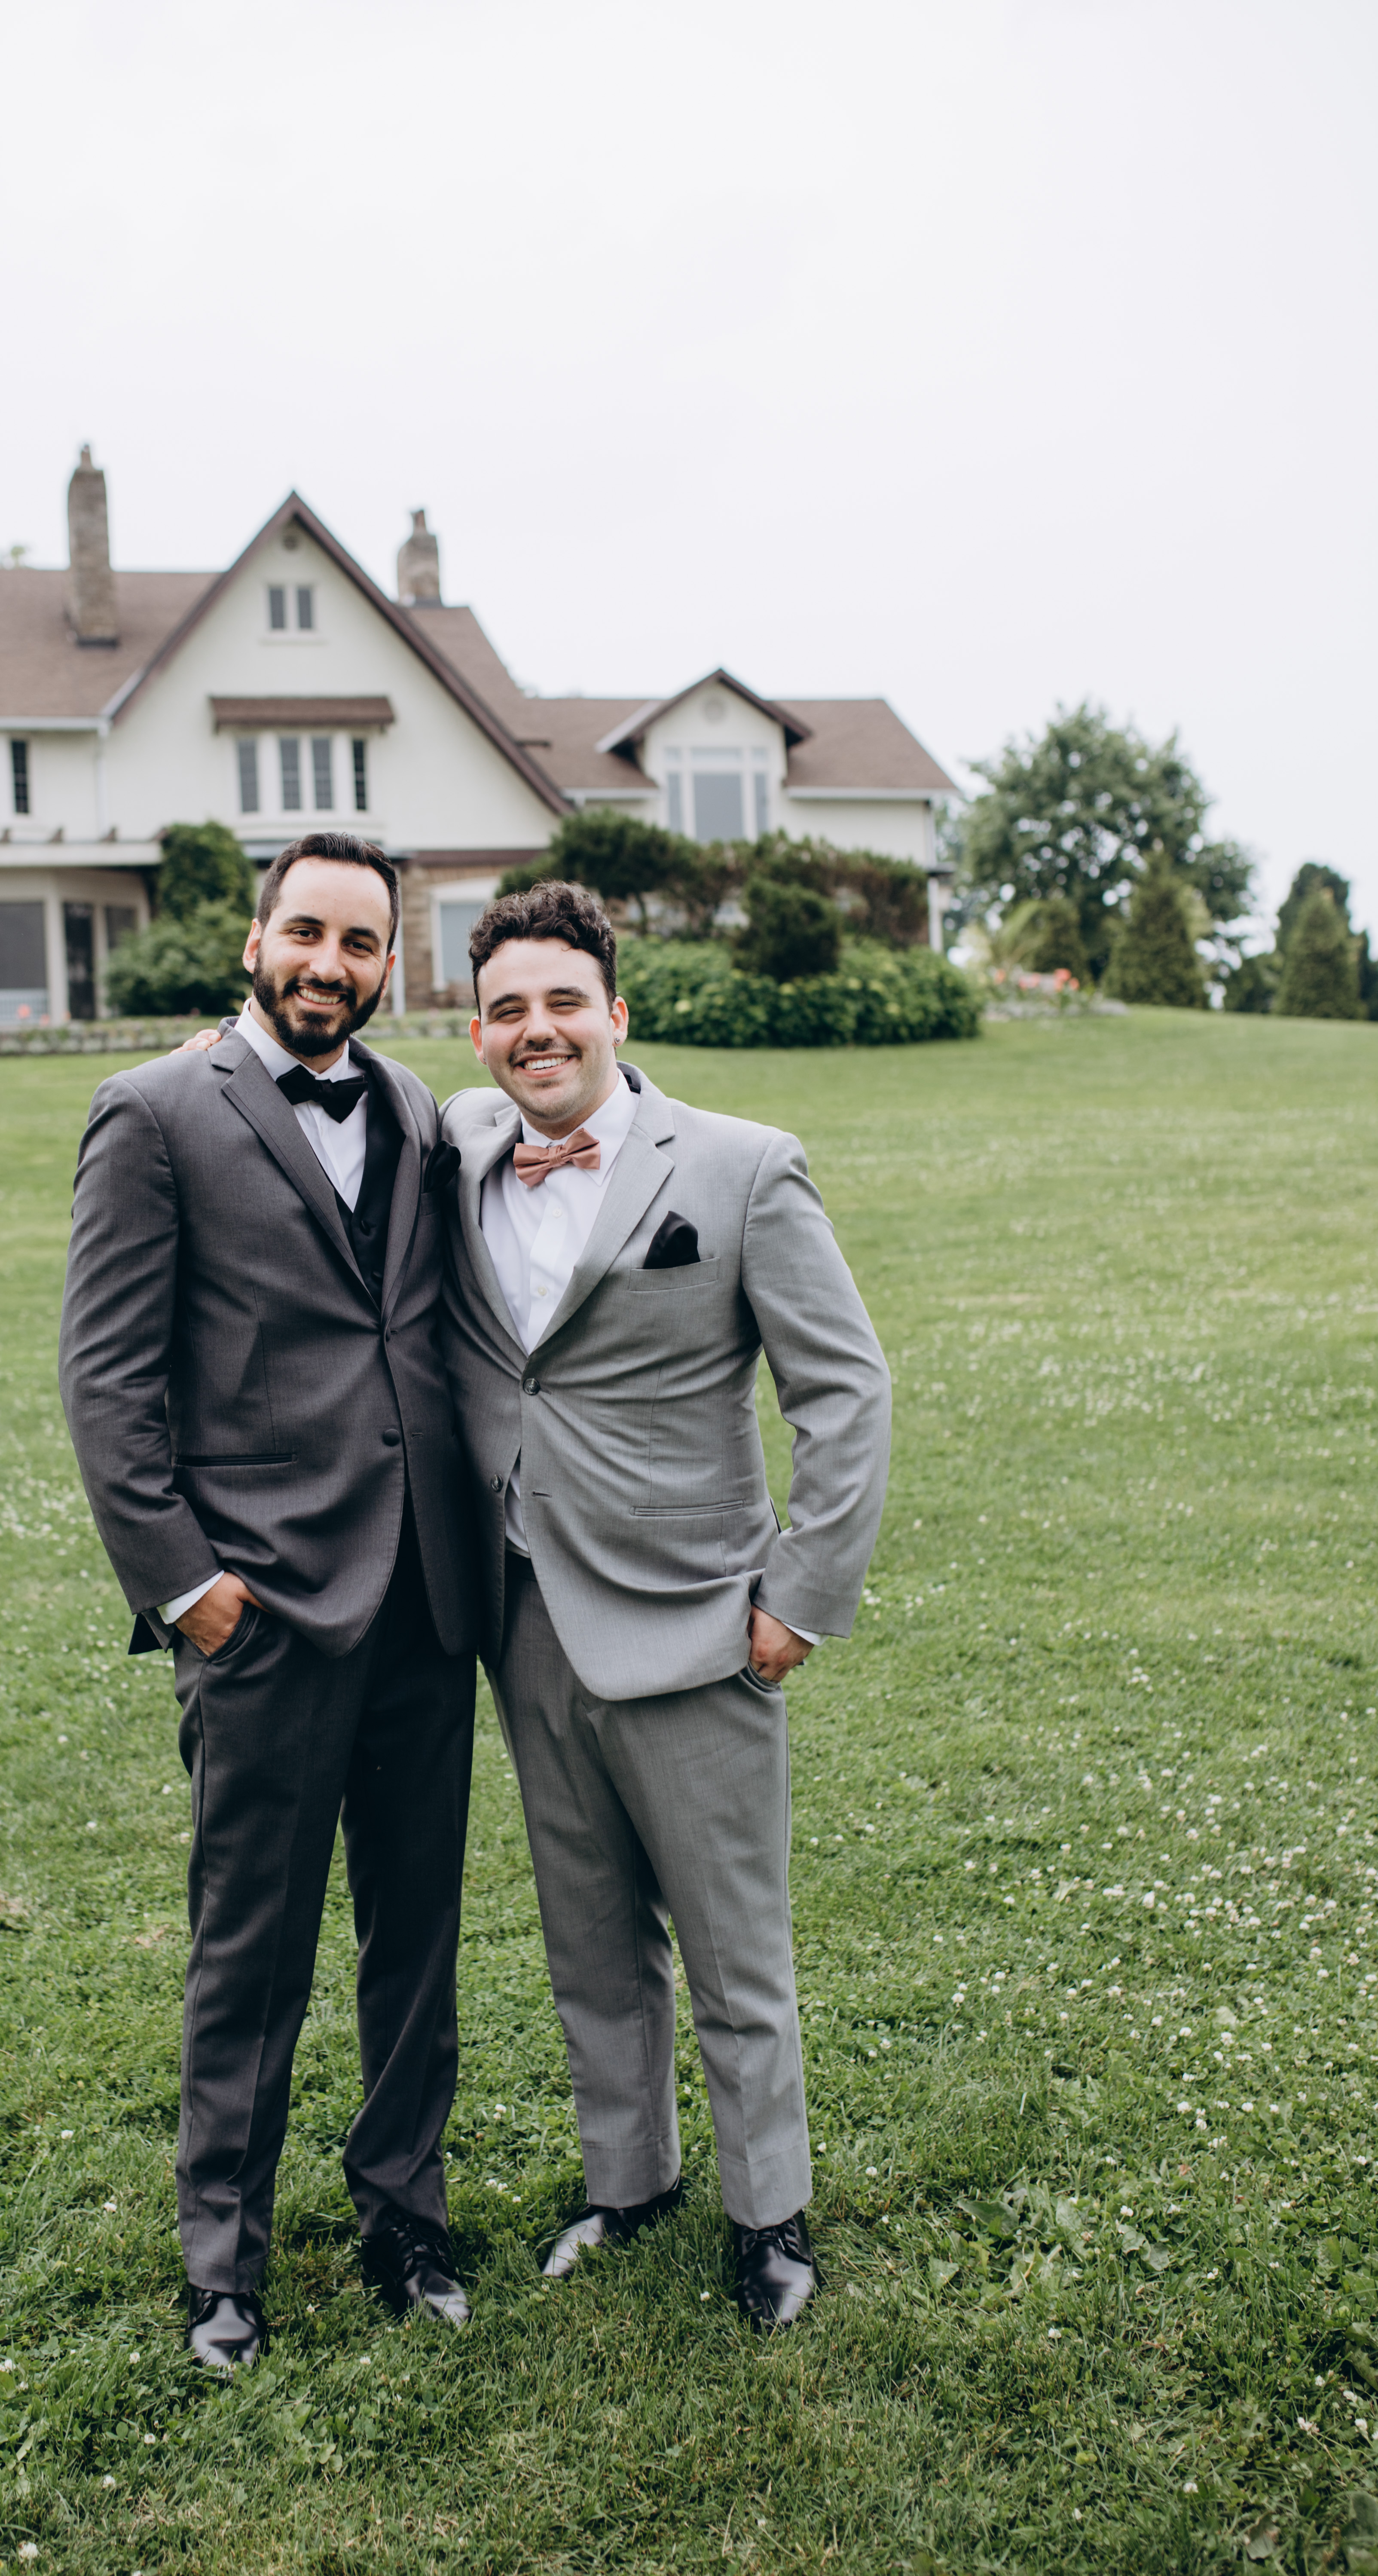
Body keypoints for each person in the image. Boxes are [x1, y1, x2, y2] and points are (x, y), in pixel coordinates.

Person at [436, 880, 891, 2332]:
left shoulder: (745, 1167)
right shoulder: (459, 1144)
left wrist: (799, 1598)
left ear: (617, 1013)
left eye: (563, 1001)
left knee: (732, 1945)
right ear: (478, 1030)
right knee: (587, 1933)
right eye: (508, 1008)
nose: (538, 1029)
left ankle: (771, 2218)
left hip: (702, 1618)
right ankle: (626, 2182)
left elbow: (846, 1391)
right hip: (522, 1611)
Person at [59, 831, 479, 2371]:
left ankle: (404, 2215)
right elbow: (106, 1381)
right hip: (263, 1611)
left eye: (360, 942)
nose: (329, 964)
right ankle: (223, 2262)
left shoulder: (418, 1109)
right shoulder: (155, 1112)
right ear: (256, 940)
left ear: (388, 962)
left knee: (415, 1939)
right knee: (251, 1947)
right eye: (306, 931)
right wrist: (189, 1589)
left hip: (426, 1599)